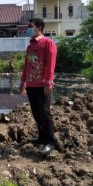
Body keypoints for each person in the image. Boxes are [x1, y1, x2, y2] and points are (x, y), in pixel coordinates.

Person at [19, 18, 57, 155]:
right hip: (31, 85)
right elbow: (27, 66)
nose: (28, 29)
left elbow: (51, 64)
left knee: (45, 113)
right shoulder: (30, 47)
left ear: (39, 27)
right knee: (36, 112)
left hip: (42, 85)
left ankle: (50, 142)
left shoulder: (48, 43)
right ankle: (41, 137)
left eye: (31, 26)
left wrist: (48, 81)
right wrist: (23, 82)